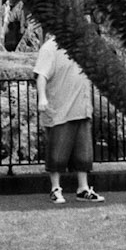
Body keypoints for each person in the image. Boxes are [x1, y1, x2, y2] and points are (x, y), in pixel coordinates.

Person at [35, 34, 102, 205]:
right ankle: (55, 189)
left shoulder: (81, 47)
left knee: (84, 153)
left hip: (81, 107)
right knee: (57, 152)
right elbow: (41, 75)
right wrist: (42, 97)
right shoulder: (50, 48)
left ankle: (83, 188)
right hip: (60, 109)